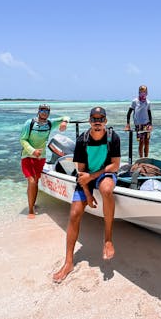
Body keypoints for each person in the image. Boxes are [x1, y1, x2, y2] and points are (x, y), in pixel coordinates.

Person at [53, 106, 121, 283]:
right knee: (74, 214)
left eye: (101, 119)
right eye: (94, 119)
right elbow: (81, 173)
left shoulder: (113, 138)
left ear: (105, 121)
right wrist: (88, 195)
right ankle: (68, 262)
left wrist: (94, 176)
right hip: (86, 177)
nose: (97, 122)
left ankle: (108, 239)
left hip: (104, 173)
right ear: (90, 121)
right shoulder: (82, 140)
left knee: (106, 189)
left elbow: (115, 166)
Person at [20, 104, 69, 218]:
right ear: (38, 111)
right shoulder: (30, 123)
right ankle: (31, 210)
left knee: (36, 181)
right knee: (31, 182)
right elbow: (22, 139)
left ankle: (33, 204)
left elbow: (66, 116)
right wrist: (32, 151)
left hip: (41, 158)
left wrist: (64, 122)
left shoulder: (50, 123)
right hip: (27, 156)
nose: (44, 113)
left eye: (47, 111)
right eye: (42, 110)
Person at [124, 84, 152, 158]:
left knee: (147, 142)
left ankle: (146, 158)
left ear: (147, 92)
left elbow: (149, 113)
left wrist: (150, 124)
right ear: (139, 92)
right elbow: (129, 113)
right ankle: (141, 158)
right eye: (141, 91)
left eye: (145, 92)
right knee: (141, 142)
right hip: (138, 125)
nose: (143, 93)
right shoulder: (135, 101)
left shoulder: (148, 102)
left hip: (147, 124)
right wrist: (128, 124)